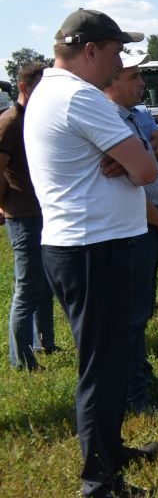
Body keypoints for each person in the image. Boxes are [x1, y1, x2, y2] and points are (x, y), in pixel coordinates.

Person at [24, 8, 158, 497]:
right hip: (93, 248)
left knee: (108, 356)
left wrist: (122, 159)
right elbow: (146, 171)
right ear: (91, 50)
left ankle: (111, 449)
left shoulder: (49, 92)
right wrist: (128, 160)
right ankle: (98, 481)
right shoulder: (81, 96)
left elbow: (134, 164)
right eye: (118, 51)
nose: (120, 61)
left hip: (81, 246)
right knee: (101, 366)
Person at [104, 52, 158, 414]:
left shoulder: (133, 117)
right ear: (112, 80)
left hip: (148, 222)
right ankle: (135, 397)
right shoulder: (110, 122)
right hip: (140, 226)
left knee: (142, 310)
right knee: (133, 317)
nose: (141, 84)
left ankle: (142, 377)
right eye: (134, 77)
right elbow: (122, 188)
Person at [1, 62, 57, 370]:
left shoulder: (36, 118)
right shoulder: (10, 122)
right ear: (24, 87)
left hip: (44, 211)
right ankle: (21, 360)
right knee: (27, 288)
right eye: (40, 87)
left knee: (45, 282)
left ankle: (44, 342)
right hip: (22, 216)